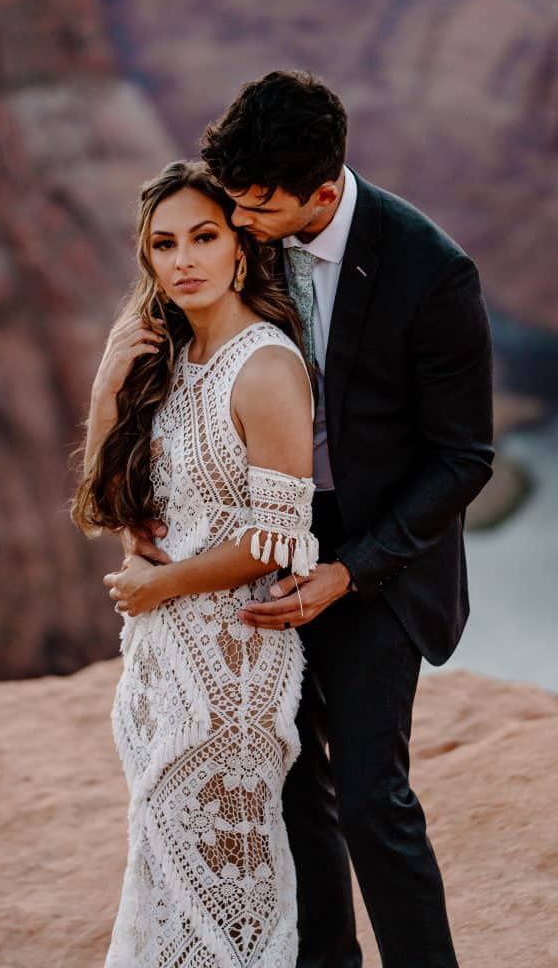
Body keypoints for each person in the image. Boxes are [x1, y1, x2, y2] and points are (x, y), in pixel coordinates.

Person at [197, 70, 495, 968]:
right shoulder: (244, 225)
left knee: (370, 794)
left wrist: (350, 570)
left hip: (379, 559)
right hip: (266, 536)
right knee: (287, 782)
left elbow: (462, 459)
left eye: (257, 204)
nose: (237, 222)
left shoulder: (430, 270)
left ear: (323, 191)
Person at [71, 160, 319, 966]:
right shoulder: (170, 363)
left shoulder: (266, 367)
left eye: (204, 238)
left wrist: (158, 584)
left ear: (239, 252)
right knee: (166, 880)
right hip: (156, 666)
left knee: (230, 898)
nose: (184, 260)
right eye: (164, 244)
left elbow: (276, 539)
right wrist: (110, 384)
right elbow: (108, 508)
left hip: (233, 672)